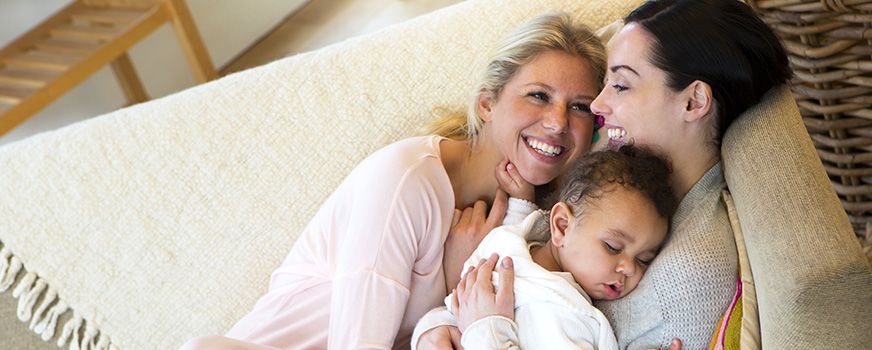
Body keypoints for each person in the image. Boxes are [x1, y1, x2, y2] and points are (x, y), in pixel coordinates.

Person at [179, 11, 607, 350]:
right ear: (486, 105)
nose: (557, 122)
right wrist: (449, 285)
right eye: (538, 95)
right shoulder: (407, 181)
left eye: (581, 107)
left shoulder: (538, 220)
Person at [418, 0, 792, 349]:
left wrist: (481, 325)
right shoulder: (621, 163)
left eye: (621, 85)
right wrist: (438, 326)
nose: (597, 106)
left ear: (693, 102)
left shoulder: (681, 288)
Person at [413, 146, 679, 350]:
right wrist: (431, 330)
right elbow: (452, 310)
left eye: (644, 259)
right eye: (612, 247)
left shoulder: (572, 317)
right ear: (562, 226)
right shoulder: (507, 252)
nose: (629, 268)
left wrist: (485, 330)